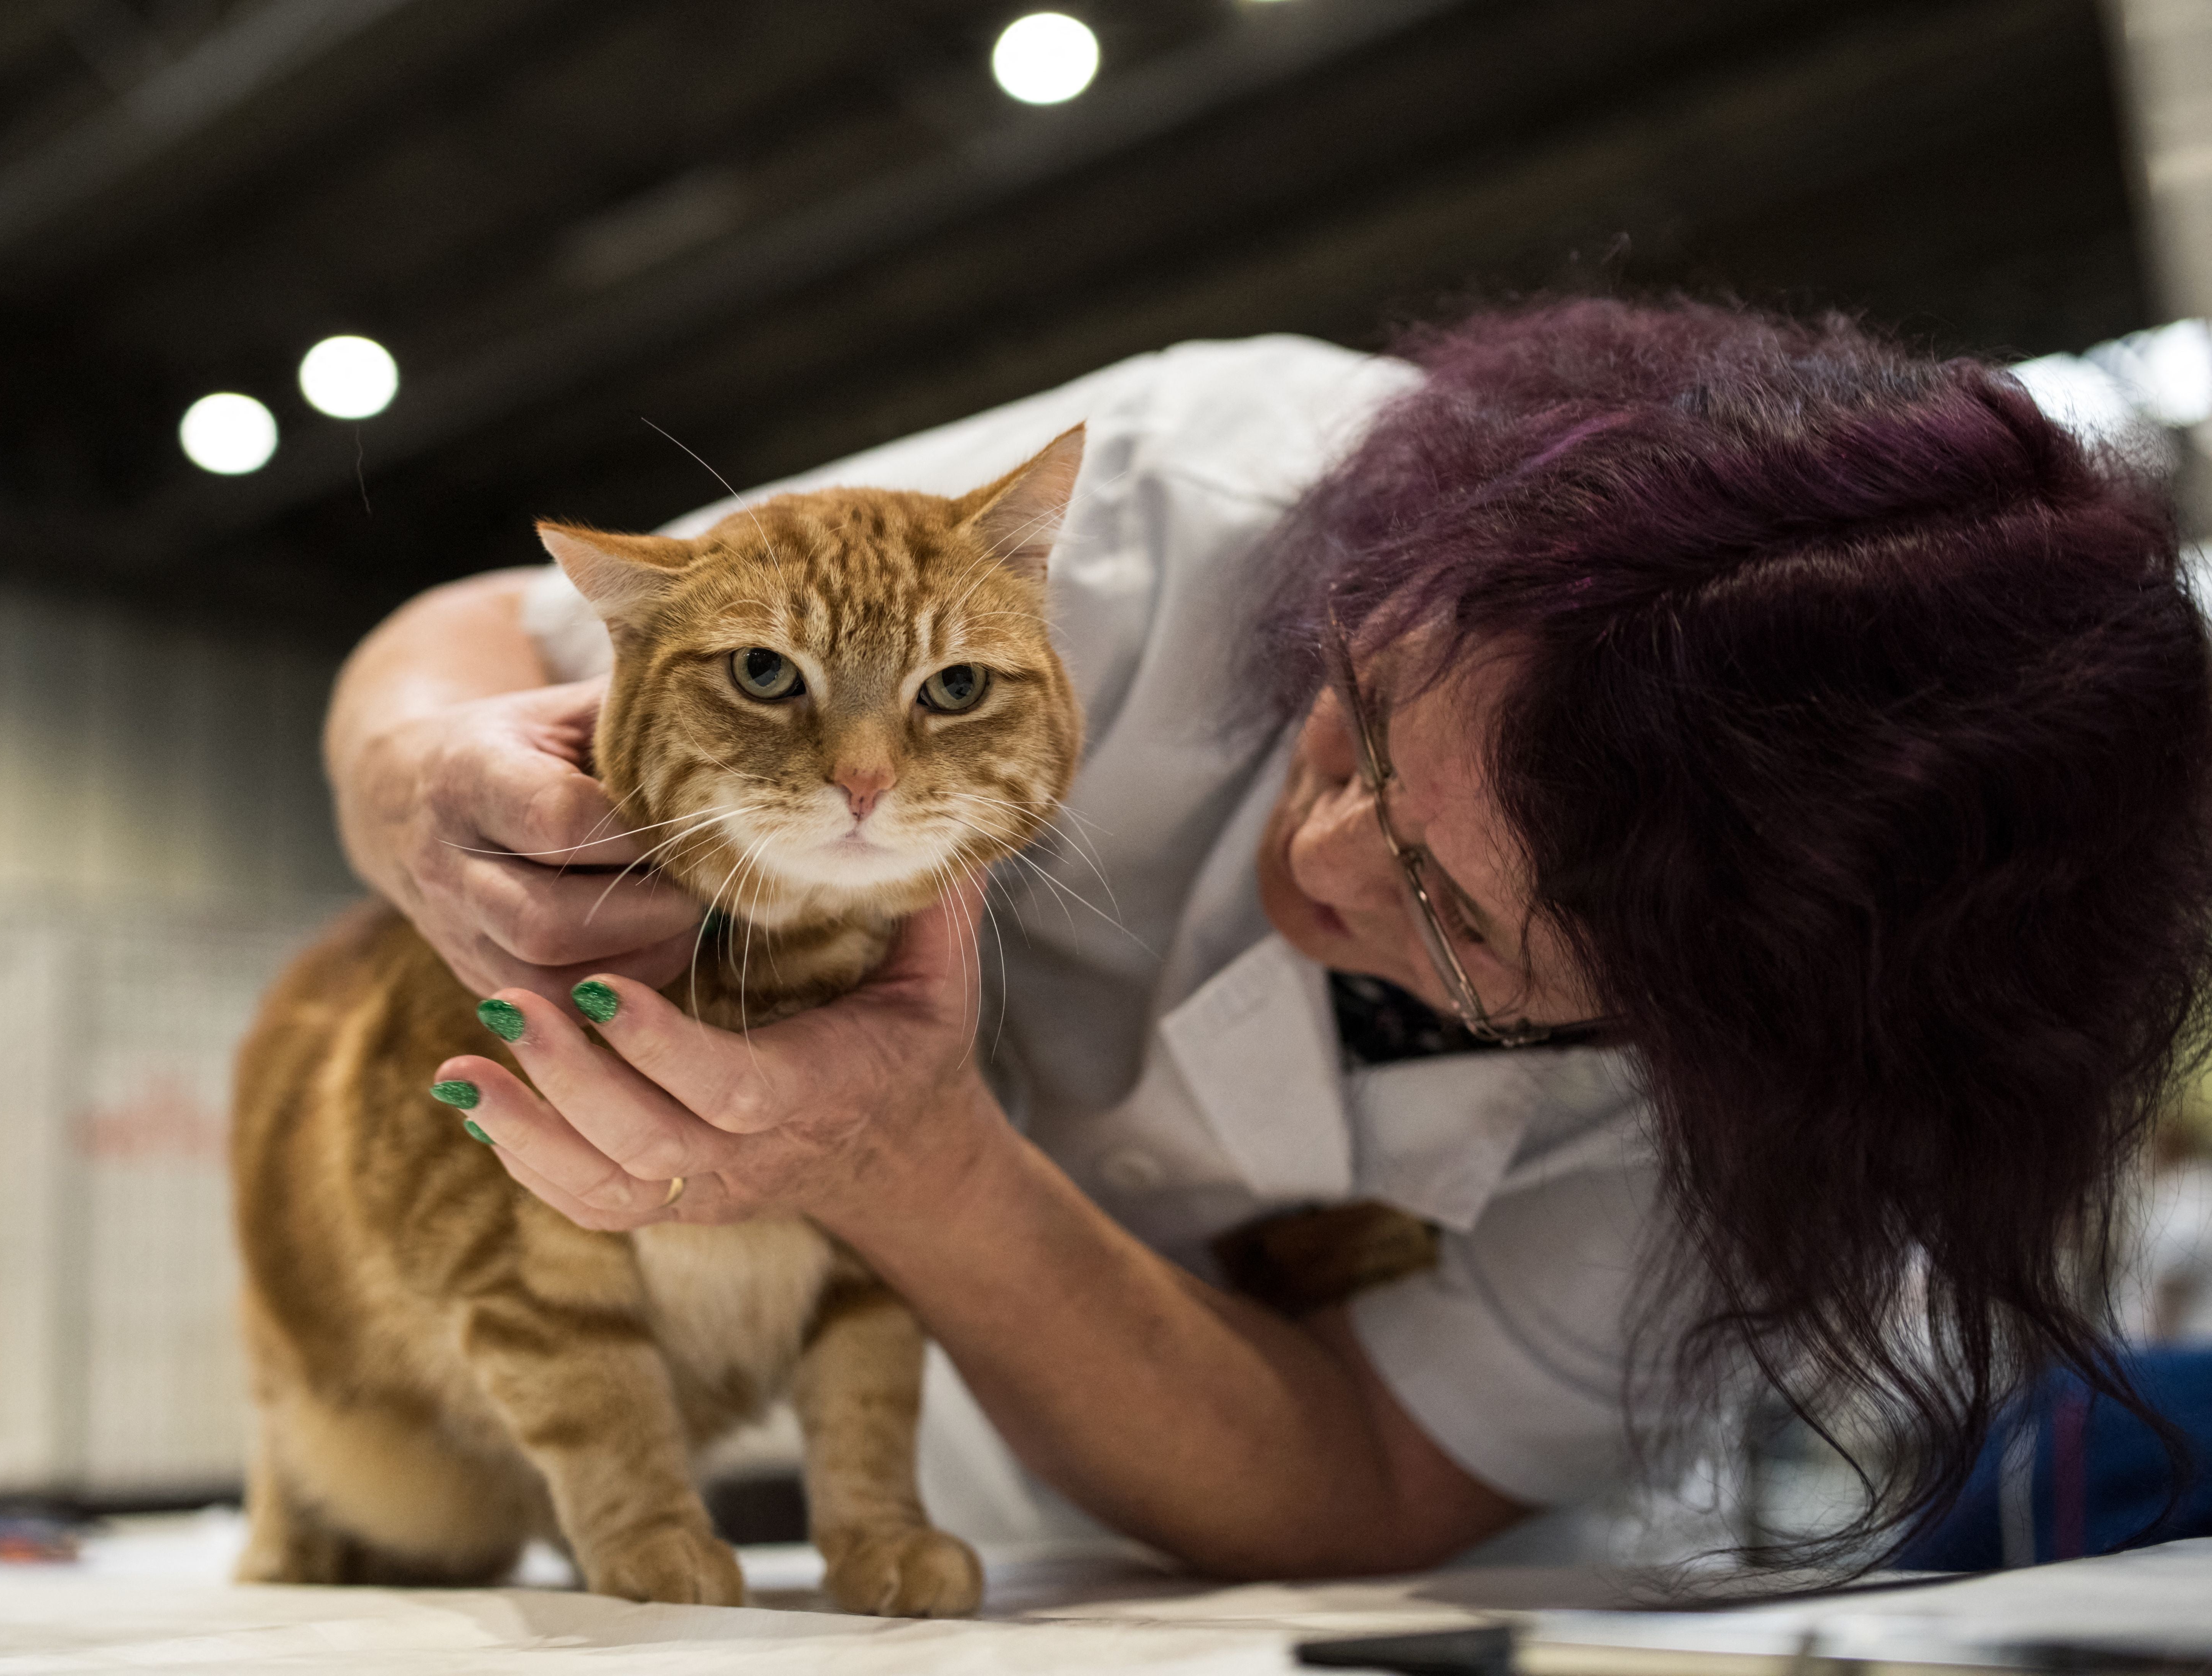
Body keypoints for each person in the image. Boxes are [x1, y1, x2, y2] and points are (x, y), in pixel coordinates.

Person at [327, 300, 2212, 1575]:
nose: (1314, 862)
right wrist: (417, 774)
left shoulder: (1785, 1118)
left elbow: (1377, 1472)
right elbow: (495, 625)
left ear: (1703, 1037)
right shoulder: (1203, 491)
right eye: (1357, 724)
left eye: (1456, 917)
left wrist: (920, 1167)